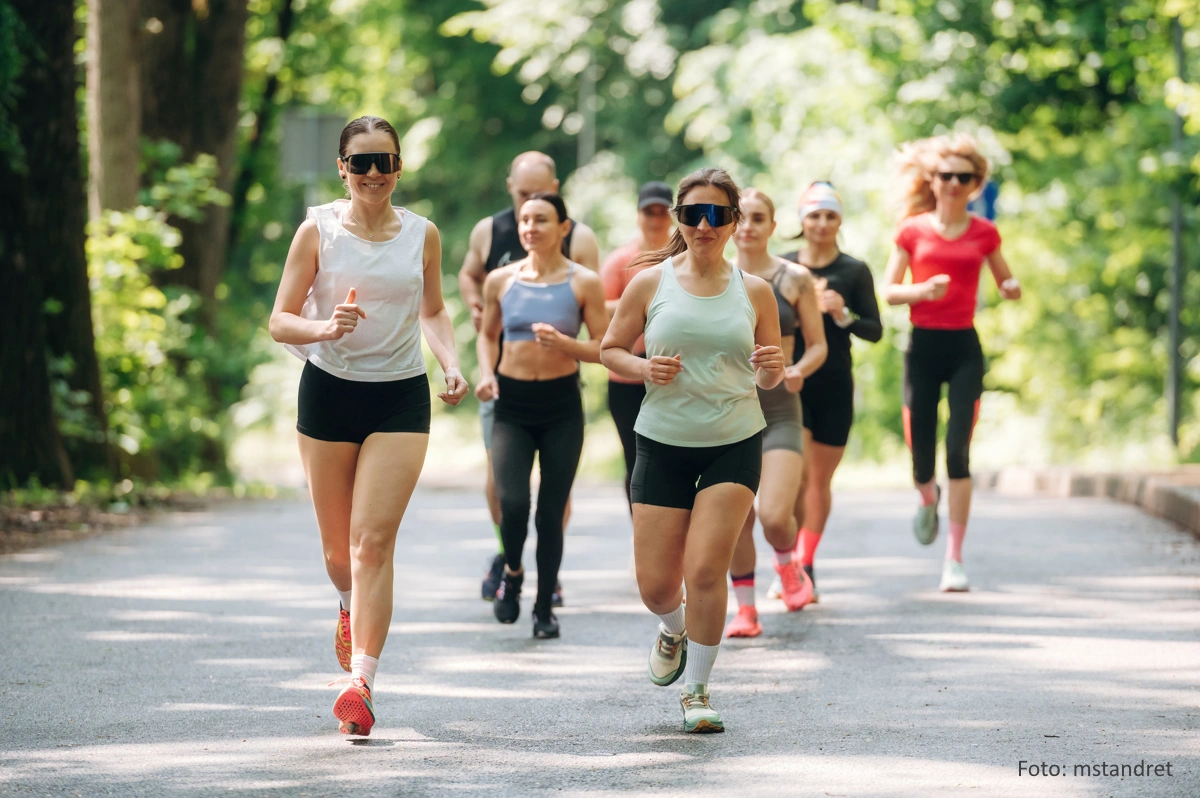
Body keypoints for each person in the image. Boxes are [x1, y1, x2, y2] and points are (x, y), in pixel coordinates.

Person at [269, 115, 468, 736]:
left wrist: (451, 362)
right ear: (342, 169)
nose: (374, 174)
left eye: (385, 161)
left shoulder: (423, 235)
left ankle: (362, 681)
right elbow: (279, 321)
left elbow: (433, 309)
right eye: (362, 163)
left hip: (399, 397)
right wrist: (324, 328)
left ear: (400, 167)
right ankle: (349, 605)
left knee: (371, 542)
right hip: (328, 394)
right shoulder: (318, 231)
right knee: (339, 554)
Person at [602, 168, 785, 733]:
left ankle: (698, 690)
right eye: (693, 214)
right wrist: (641, 366)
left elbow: (771, 373)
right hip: (661, 440)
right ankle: (672, 627)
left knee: (706, 568)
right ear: (678, 219)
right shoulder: (649, 283)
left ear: (734, 222)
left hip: (733, 440)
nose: (705, 225)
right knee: (657, 584)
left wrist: (774, 368)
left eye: (718, 215)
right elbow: (610, 350)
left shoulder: (754, 291)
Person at [459, 152, 600, 603]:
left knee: (551, 508)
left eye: (542, 213)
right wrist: (485, 373)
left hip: (561, 401)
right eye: (524, 212)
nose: (531, 224)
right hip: (509, 398)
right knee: (510, 498)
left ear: (562, 219)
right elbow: (484, 329)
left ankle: (544, 599)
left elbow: (605, 341)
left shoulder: (583, 264)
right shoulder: (497, 265)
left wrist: (568, 346)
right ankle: (511, 564)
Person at [882, 133, 1020, 592]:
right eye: (947, 175)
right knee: (922, 456)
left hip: (964, 347)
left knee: (958, 448)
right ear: (933, 180)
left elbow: (1004, 277)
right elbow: (889, 291)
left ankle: (954, 559)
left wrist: (1011, 286)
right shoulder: (912, 229)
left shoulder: (985, 232)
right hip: (922, 347)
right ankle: (926, 495)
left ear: (976, 183)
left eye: (965, 176)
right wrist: (922, 292)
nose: (955, 183)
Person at [766, 182, 882, 604]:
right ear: (801, 220)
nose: (821, 224)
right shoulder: (783, 266)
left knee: (818, 481)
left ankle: (806, 560)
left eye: (830, 216)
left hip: (833, 381)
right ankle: (790, 566)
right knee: (793, 479)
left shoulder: (854, 271)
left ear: (840, 221)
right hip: (792, 382)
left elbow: (875, 330)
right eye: (814, 215)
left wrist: (842, 313)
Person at [724, 189, 827, 639]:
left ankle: (788, 564)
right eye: (740, 218)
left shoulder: (795, 278)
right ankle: (745, 610)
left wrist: (799, 368)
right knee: (733, 520)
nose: (748, 226)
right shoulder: (711, 277)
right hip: (726, 411)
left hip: (781, 408)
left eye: (758, 218)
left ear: (773, 225)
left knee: (772, 515)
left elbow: (818, 342)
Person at [600, 181, 675, 505]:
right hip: (628, 375)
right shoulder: (621, 261)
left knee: (672, 458)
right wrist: (644, 302)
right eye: (649, 212)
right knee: (636, 460)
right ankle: (642, 542)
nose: (656, 219)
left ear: (672, 216)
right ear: (638, 215)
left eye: (662, 212)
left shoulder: (683, 257)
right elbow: (599, 310)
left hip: (674, 372)